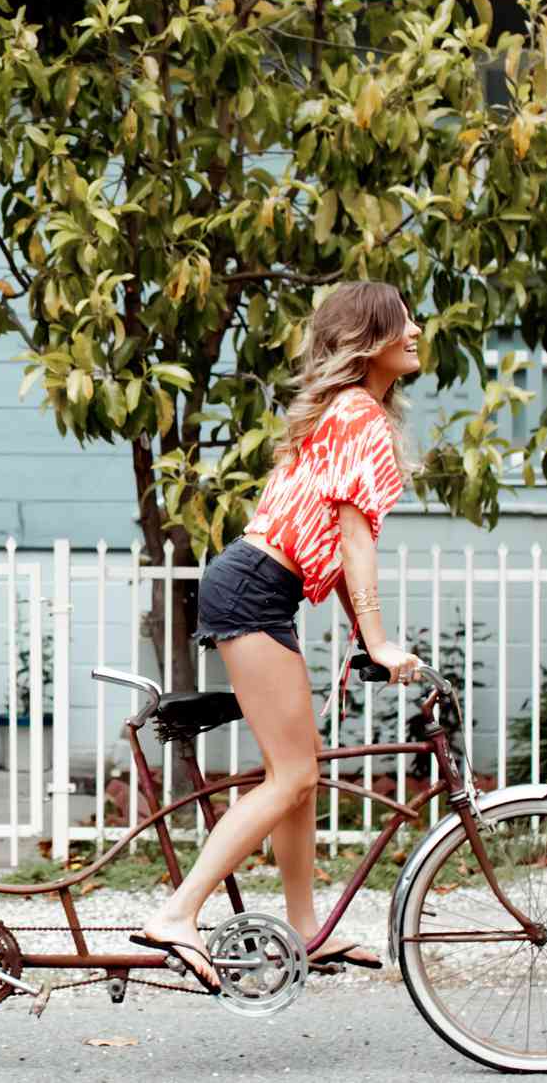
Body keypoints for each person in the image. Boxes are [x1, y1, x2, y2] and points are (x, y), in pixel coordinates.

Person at [132, 280, 424, 989]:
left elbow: (333, 531)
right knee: (292, 775)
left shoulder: (350, 411)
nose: (416, 329)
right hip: (255, 588)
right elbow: (355, 539)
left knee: (299, 776)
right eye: (402, 321)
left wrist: (364, 636)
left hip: (262, 588)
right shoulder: (359, 414)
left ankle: (302, 929)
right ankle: (177, 913)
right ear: (369, 339)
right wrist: (379, 641)